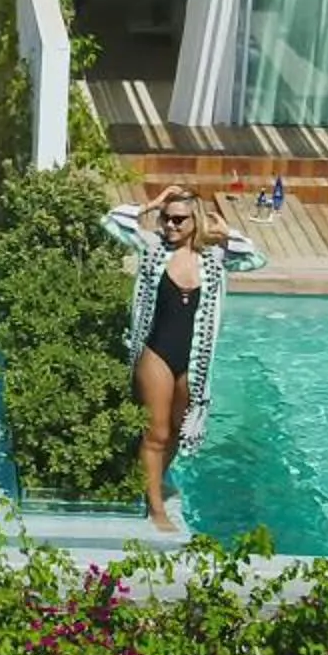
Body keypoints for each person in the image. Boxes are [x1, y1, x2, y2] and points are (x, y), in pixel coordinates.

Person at [110, 185, 234, 534]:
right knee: (157, 432)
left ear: (195, 221)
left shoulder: (214, 259)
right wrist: (152, 203)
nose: (170, 225)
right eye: (166, 218)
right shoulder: (153, 249)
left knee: (178, 430)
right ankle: (155, 507)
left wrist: (227, 233)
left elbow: (255, 258)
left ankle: (151, 483)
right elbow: (113, 221)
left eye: (179, 219)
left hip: (194, 359)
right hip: (157, 353)